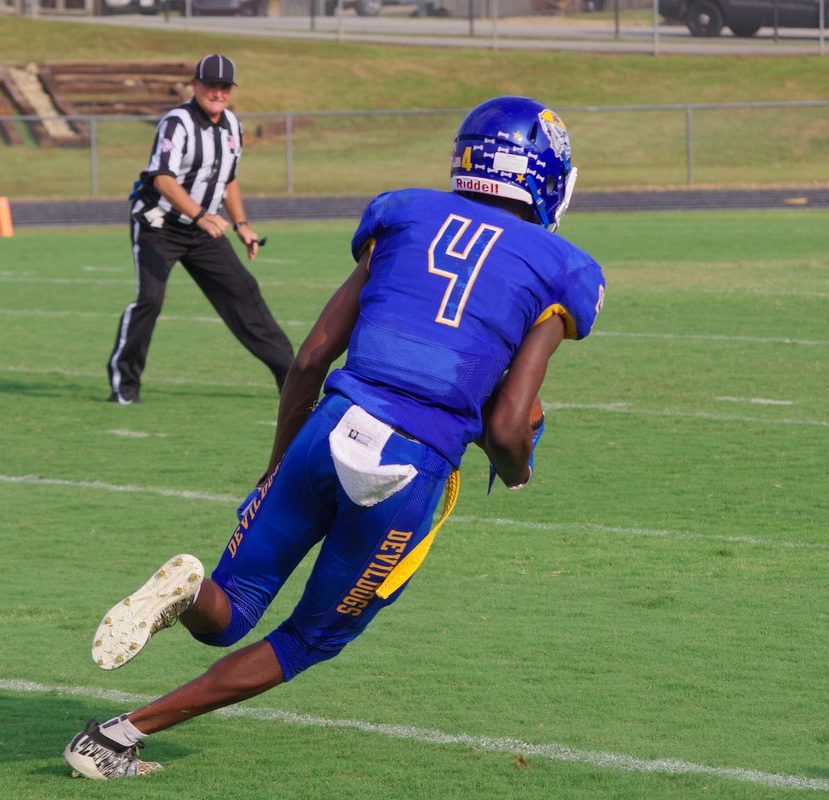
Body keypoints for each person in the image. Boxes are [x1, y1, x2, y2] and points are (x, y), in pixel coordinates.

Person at [66, 95, 607, 779]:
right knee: (310, 637)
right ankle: (116, 737)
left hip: (329, 424)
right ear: (546, 176)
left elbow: (311, 358)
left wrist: (278, 463)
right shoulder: (565, 267)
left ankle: (189, 591)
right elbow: (508, 423)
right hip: (407, 466)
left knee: (232, 609)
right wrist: (520, 466)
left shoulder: (404, 213)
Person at [106, 53, 294, 405]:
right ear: (195, 85)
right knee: (150, 299)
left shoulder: (233, 125)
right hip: (159, 225)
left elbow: (229, 180)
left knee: (243, 290)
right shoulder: (177, 122)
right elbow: (162, 178)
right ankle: (124, 385)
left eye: (225, 87)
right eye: (211, 85)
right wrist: (201, 214)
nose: (218, 93)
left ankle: (292, 378)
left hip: (203, 230)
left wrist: (242, 224)